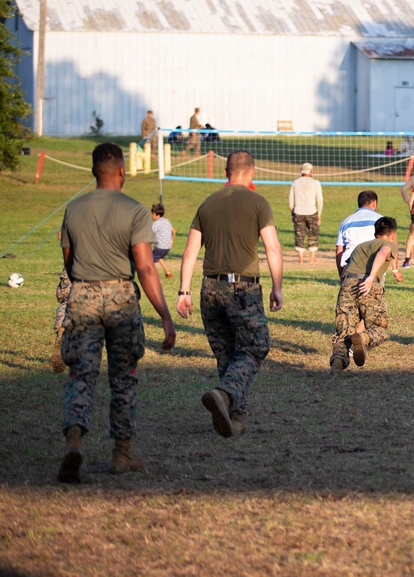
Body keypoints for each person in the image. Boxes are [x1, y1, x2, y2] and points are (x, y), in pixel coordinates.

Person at [56, 143, 176, 483]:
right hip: (121, 297)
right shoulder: (135, 210)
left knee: (81, 374)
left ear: (94, 171)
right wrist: (164, 315)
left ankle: (74, 442)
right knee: (124, 378)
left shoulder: (73, 209)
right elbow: (145, 266)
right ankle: (121, 454)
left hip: (82, 295)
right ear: (122, 171)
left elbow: (68, 258)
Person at [176, 150, 283, 438]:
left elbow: (190, 252)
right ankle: (224, 394)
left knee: (227, 354)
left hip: (209, 287)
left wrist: (183, 290)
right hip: (242, 287)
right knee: (254, 348)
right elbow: (272, 248)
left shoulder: (207, 204)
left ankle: (235, 417)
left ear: (225, 172)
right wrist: (277, 287)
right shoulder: (258, 202)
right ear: (253, 172)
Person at [330, 216, 403, 373]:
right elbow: (382, 254)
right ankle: (363, 338)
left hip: (347, 286)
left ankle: (335, 368)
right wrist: (370, 277)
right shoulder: (389, 244)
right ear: (393, 234)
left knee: (343, 333)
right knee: (379, 328)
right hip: (368, 285)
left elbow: (346, 264)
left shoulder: (360, 246)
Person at [336, 190, 383, 273]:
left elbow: (339, 250)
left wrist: (341, 274)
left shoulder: (346, 222)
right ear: (374, 203)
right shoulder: (381, 220)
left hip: (350, 266)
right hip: (373, 267)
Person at [289, 162, 324, 264]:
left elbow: (291, 199)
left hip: (298, 212)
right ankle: (312, 258)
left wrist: (292, 212)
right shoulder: (315, 182)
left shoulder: (295, 182)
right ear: (310, 171)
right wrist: (319, 214)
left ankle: (301, 259)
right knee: (313, 234)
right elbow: (320, 199)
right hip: (312, 212)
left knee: (299, 235)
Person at [151, 203, 175, 277]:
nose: (151, 215)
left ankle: (155, 277)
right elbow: (174, 231)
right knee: (159, 257)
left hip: (159, 247)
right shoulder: (166, 221)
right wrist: (171, 240)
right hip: (167, 247)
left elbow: (149, 233)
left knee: (149, 261)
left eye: (153, 214)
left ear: (157, 215)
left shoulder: (156, 223)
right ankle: (167, 272)